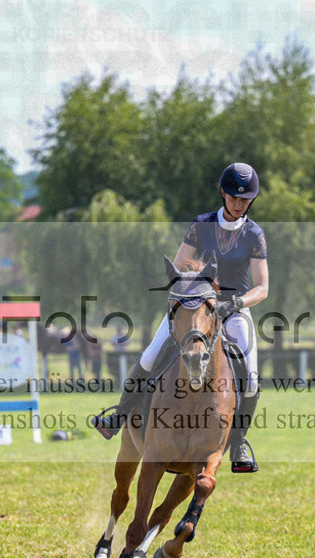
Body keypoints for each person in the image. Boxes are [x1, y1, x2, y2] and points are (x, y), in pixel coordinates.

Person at [91, 162, 268, 473]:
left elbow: (262, 287)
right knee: (148, 358)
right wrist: (201, 289)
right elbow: (180, 264)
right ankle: (119, 415)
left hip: (233, 310)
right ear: (223, 194)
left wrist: (234, 303)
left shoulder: (254, 233)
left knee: (251, 380)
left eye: (245, 200)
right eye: (234, 198)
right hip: (193, 305)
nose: (239, 205)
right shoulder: (201, 225)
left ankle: (238, 443)